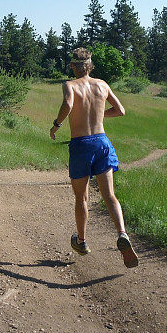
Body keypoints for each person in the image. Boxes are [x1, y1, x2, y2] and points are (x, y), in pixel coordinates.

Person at [49, 47, 139, 268]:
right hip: (102, 142)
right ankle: (122, 233)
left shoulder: (70, 85)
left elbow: (68, 104)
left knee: (82, 198)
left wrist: (56, 125)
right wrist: (100, 114)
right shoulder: (102, 84)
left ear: (72, 66)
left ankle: (81, 241)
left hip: (81, 145)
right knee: (109, 195)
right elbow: (120, 110)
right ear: (90, 66)